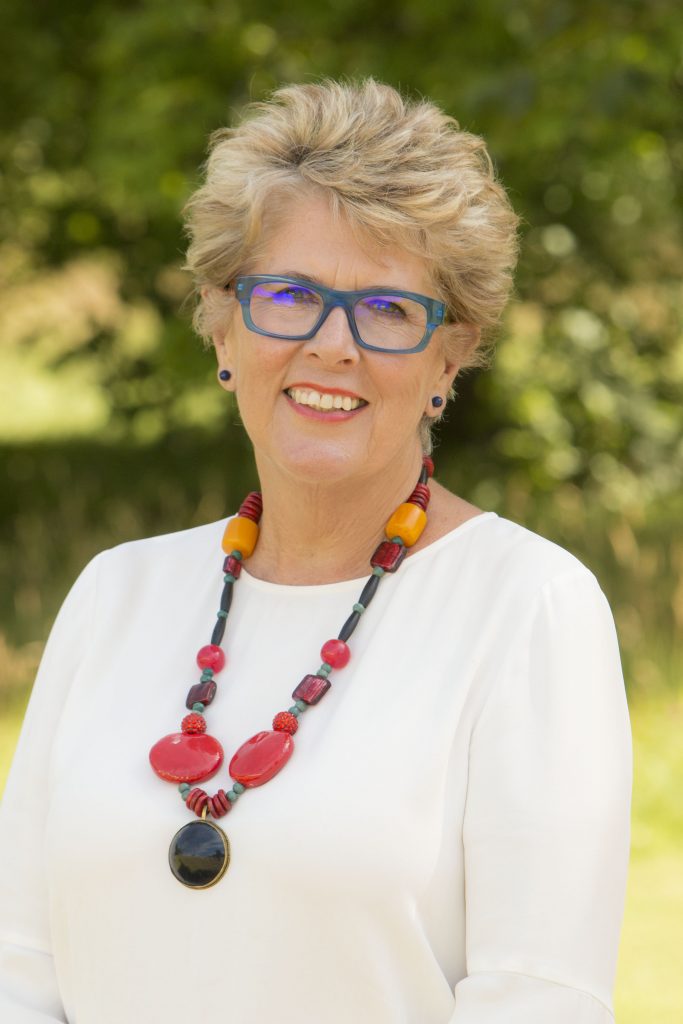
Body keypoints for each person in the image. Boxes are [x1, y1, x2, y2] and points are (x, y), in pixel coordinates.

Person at [0, 78, 631, 1023]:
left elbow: (538, 1001)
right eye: (290, 295)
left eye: (387, 309)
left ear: (448, 357)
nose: (333, 346)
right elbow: (18, 967)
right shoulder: (114, 593)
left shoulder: (528, 606)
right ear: (222, 324)